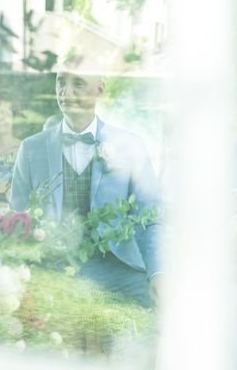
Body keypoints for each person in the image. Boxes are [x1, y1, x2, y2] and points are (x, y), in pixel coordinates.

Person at [9, 52, 162, 307]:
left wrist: (158, 273)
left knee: (160, 310)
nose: (66, 92)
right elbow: (17, 217)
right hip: (50, 267)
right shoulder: (31, 148)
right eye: (61, 82)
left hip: (117, 268)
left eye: (78, 83)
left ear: (99, 89)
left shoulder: (130, 146)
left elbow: (150, 219)